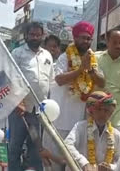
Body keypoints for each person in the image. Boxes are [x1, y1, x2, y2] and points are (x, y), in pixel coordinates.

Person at [42, 21, 105, 171]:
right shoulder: (65, 57)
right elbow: (59, 79)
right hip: (58, 122)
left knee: (72, 165)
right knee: (54, 166)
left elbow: (102, 83)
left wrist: (90, 70)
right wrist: (80, 70)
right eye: (83, 38)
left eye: (89, 38)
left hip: (78, 124)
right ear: (75, 38)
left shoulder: (92, 59)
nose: (86, 41)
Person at [9, 22, 55, 171]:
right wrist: (18, 101)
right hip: (20, 110)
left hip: (39, 112)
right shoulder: (17, 53)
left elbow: (51, 82)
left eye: (38, 34)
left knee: (36, 148)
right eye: (32, 34)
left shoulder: (47, 55)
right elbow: (10, 78)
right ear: (26, 36)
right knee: (15, 147)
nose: (35, 37)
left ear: (42, 36)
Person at [64, 91, 120, 171]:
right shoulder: (80, 127)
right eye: (99, 109)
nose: (102, 113)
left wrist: (110, 167)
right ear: (91, 111)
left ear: (110, 113)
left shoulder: (116, 134)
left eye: (106, 110)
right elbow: (67, 145)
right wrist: (84, 163)